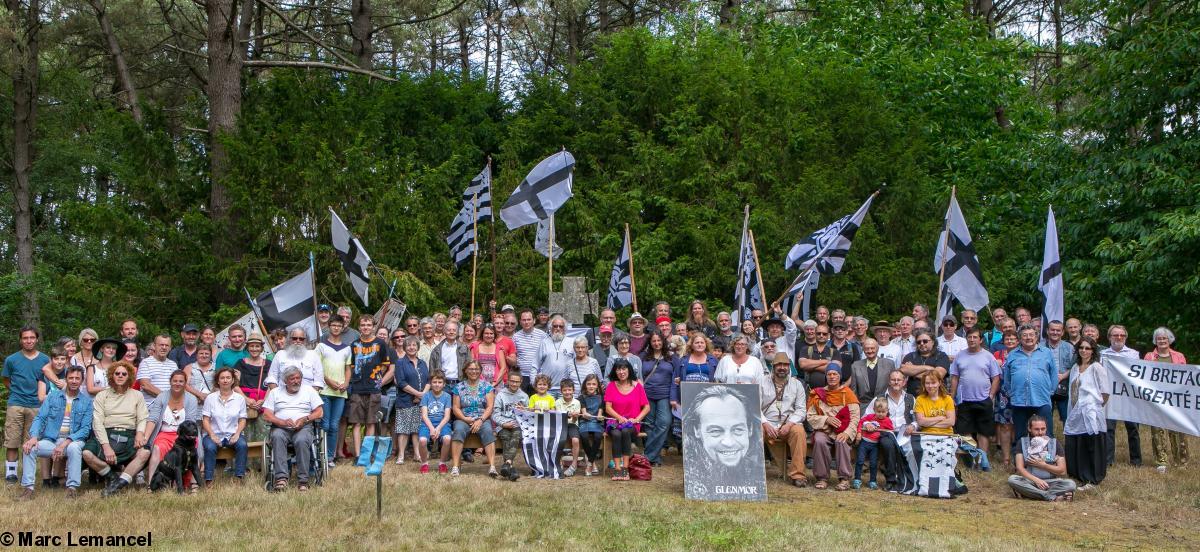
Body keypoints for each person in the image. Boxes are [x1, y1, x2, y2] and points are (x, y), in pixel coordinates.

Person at [19, 365, 91, 499]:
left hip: (73, 441)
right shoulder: (53, 397)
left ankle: (72, 488)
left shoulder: (86, 402)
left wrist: (65, 443)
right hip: (52, 439)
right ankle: (28, 488)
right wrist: (33, 437)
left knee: (74, 448)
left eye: (77, 378)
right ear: (66, 379)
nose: (74, 381)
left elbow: (85, 429)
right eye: (71, 378)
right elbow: (40, 418)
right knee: (29, 448)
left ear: (82, 381)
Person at [81, 361, 150, 496]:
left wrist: (140, 433)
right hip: (107, 433)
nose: (120, 376)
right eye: (117, 373)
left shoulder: (137, 395)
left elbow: (142, 418)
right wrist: (106, 446)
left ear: (129, 376)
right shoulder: (102, 395)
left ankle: (119, 484)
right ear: (111, 375)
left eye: (124, 374)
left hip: (129, 434)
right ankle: (112, 476)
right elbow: (97, 422)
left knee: (145, 453)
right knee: (86, 453)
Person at [262, 367, 324, 491]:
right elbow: (266, 415)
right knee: (277, 436)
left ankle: (303, 481)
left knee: (301, 440)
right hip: (281, 428)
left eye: (298, 378)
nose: (296, 381)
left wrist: (305, 419)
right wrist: (281, 422)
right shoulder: (275, 392)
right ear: (285, 381)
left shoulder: (309, 391)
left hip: (304, 427)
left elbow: (319, 412)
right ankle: (281, 479)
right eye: (292, 379)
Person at [140, 370, 203, 490]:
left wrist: (181, 438)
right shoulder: (162, 397)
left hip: (185, 436)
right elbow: (153, 419)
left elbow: (190, 422)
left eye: (181, 381)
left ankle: (194, 485)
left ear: (185, 383)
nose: (177, 383)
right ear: (170, 382)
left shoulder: (191, 399)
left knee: (195, 450)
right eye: (175, 381)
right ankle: (151, 484)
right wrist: (146, 437)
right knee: (157, 448)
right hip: (164, 433)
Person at [346, 317, 396, 463]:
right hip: (357, 388)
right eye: (363, 325)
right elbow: (351, 366)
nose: (366, 327)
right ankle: (357, 455)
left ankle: (366, 455)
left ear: (373, 327)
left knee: (371, 423)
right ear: (359, 327)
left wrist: (379, 380)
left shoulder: (380, 343)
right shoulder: (354, 344)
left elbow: (386, 364)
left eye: (368, 325)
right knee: (356, 423)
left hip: (373, 389)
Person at [948, 328, 1001, 465]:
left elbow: (996, 377)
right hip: (964, 399)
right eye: (969, 337)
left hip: (984, 399)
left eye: (975, 337)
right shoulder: (960, 356)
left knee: (983, 431)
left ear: (981, 340)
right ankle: (970, 459)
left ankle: (982, 459)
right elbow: (954, 377)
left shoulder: (988, 356)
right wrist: (952, 397)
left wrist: (991, 395)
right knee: (965, 431)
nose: (972, 340)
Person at [5, 326, 50, 482]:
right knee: (12, 440)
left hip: (36, 405)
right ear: (20, 340)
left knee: (30, 441)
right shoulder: (11, 360)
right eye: (25, 338)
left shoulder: (45, 360)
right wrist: (16, 391)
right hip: (16, 404)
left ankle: (27, 473)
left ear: (37, 339)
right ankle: (11, 473)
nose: (28, 341)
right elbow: (6, 380)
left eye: (32, 337)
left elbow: (49, 380)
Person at [1064, 337, 1108, 490]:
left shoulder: (1096, 367)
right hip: (1076, 411)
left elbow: (1105, 392)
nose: (1084, 350)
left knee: (1091, 445)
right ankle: (1079, 475)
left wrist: (1096, 409)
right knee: (1077, 443)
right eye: (1081, 347)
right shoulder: (1075, 367)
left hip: (1091, 412)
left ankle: (1092, 478)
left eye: (1087, 348)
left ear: (1093, 351)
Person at [807, 362, 859, 490]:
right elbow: (810, 416)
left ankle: (844, 479)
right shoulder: (818, 394)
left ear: (840, 376)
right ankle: (822, 478)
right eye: (829, 374)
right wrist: (826, 419)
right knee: (819, 439)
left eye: (835, 374)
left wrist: (847, 433)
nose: (832, 377)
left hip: (842, 430)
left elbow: (855, 418)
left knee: (841, 441)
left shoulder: (848, 394)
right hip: (824, 430)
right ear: (826, 376)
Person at [864, 370, 918, 492]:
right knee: (888, 445)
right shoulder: (879, 398)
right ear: (889, 381)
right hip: (886, 433)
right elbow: (866, 417)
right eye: (893, 379)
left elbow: (917, 420)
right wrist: (868, 424)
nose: (896, 382)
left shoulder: (911, 399)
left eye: (899, 380)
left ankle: (911, 478)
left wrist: (913, 425)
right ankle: (891, 480)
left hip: (905, 434)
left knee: (913, 447)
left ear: (904, 382)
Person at [1003, 325, 1057, 446]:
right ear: (1019, 338)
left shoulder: (1046, 353)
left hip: (1042, 399)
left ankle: (1048, 457)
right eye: (1025, 335)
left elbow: (1053, 374)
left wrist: (1051, 391)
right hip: (1019, 401)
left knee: (1046, 433)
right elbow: (1007, 377)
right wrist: (1010, 392)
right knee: (1021, 435)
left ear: (1036, 337)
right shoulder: (1012, 354)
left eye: (1031, 335)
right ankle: (1021, 457)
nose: (1028, 338)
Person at [1145, 327, 1189, 473]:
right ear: (1155, 341)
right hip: (1156, 398)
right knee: (1157, 430)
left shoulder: (1179, 356)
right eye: (1159, 339)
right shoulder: (1149, 356)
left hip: (1176, 399)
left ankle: (1181, 461)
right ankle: (1161, 461)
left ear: (1169, 340)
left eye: (1164, 338)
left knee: (1178, 429)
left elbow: (1186, 376)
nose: (1162, 341)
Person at [760, 353, 808, 487]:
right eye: (779, 365)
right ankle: (754, 472)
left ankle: (798, 475)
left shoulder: (797, 384)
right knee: (756, 430)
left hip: (788, 423)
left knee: (799, 432)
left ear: (789, 367)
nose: (782, 367)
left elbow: (801, 410)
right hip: (766, 422)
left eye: (785, 365)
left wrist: (789, 424)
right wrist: (765, 424)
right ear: (773, 366)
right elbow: (754, 406)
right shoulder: (762, 382)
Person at [1101, 324, 1142, 467]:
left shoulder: (1134, 354)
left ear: (1125, 337)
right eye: (1115, 335)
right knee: (1109, 428)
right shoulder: (1103, 354)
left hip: (1129, 396)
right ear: (1109, 337)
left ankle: (1136, 461)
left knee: (1133, 429)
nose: (1119, 337)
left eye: (1122, 335)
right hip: (1110, 396)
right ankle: (1108, 461)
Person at [1008, 416, 1075, 502]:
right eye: (1036, 429)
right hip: (1030, 481)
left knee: (1071, 484)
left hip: (1050, 482)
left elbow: (1062, 471)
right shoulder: (1022, 442)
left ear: (1046, 428)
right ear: (1029, 429)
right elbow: (1019, 468)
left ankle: (1029, 493)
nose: (1040, 432)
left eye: (1043, 429)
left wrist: (1043, 465)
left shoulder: (1054, 443)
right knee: (1012, 479)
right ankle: (1051, 497)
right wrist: (1037, 480)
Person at [449, 361, 498, 477]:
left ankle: (492, 467)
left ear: (480, 371)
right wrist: (465, 419)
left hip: (482, 418)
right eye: (471, 369)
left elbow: (490, 407)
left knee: (488, 430)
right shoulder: (458, 387)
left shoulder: (487, 386)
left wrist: (480, 420)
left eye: (476, 369)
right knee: (458, 430)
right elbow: (455, 407)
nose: (474, 371)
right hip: (463, 418)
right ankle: (455, 467)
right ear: (465, 371)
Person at [201, 367, 248, 484]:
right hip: (213, 433)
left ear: (233, 380)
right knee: (210, 447)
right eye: (222, 378)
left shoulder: (239, 399)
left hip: (233, 433)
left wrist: (237, 434)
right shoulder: (210, 398)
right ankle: (208, 480)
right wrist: (212, 435)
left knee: (242, 445)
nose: (225, 380)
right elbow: (205, 420)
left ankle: (239, 478)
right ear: (218, 381)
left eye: (228, 378)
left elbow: (242, 420)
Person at [605, 359, 649, 481]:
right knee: (616, 434)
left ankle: (625, 469)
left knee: (625, 432)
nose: (621, 372)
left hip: (631, 424)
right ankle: (617, 469)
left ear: (629, 370)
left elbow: (647, 407)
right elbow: (608, 408)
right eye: (618, 369)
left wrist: (637, 419)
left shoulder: (637, 386)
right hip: (614, 422)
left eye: (624, 369)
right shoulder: (611, 386)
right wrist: (619, 417)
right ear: (615, 372)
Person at [316, 317, 351, 465]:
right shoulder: (321, 346)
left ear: (343, 328)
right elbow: (316, 368)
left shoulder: (346, 348)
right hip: (324, 390)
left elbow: (348, 368)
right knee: (325, 425)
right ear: (329, 327)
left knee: (334, 425)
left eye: (339, 325)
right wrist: (328, 381)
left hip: (340, 393)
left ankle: (330, 457)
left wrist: (346, 383)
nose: (336, 328)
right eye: (333, 325)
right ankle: (320, 455)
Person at [640, 333, 677, 466]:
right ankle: (654, 458)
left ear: (663, 341)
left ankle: (648, 456)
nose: (656, 343)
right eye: (653, 341)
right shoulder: (643, 357)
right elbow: (638, 376)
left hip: (665, 395)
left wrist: (674, 397)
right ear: (650, 343)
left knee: (664, 423)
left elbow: (676, 378)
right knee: (649, 425)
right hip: (647, 395)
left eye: (659, 340)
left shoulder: (672, 357)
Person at [393, 336, 431, 465]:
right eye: (408, 345)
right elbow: (401, 382)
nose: (411, 347)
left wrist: (423, 395)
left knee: (416, 429)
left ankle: (417, 454)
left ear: (418, 347)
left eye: (414, 345)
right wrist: (417, 394)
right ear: (405, 347)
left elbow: (428, 380)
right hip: (405, 400)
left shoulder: (422, 363)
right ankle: (401, 456)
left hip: (420, 402)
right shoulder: (400, 363)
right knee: (403, 429)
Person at [670, 333, 718, 415]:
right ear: (692, 345)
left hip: (707, 399)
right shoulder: (683, 360)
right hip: (686, 398)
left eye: (702, 342)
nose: (699, 344)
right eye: (697, 343)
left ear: (706, 344)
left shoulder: (713, 360)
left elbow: (718, 380)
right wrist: (673, 398)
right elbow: (675, 380)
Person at [417, 370, 453, 475]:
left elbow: (447, 416)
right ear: (430, 383)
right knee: (422, 441)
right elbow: (424, 415)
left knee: (447, 439)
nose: (437, 384)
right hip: (427, 424)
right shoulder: (426, 396)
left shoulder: (447, 396)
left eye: (440, 382)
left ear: (444, 384)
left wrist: (438, 428)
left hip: (442, 424)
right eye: (434, 382)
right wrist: (432, 428)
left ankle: (442, 463)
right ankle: (424, 463)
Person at [493, 371, 528, 477]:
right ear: (507, 381)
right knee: (506, 437)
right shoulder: (501, 395)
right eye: (512, 381)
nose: (514, 384)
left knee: (516, 436)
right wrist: (504, 424)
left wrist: (524, 410)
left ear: (521, 382)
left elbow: (528, 415)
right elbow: (495, 414)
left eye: (517, 382)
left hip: (518, 425)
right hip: (503, 425)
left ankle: (507, 464)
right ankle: (511, 468)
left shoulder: (524, 396)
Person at [1044, 320, 1075, 437]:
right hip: (1045, 387)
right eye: (1052, 330)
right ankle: (1047, 442)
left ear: (1062, 332)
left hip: (1064, 386)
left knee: (1067, 417)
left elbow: (1074, 367)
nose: (1055, 332)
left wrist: (1063, 376)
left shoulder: (1069, 347)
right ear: (1047, 331)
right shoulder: (1040, 347)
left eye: (1058, 330)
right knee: (1045, 417)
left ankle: (1070, 443)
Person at [854, 399, 894, 490]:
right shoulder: (870, 417)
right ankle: (857, 479)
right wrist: (859, 432)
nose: (881, 414)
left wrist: (882, 433)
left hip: (875, 445)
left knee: (873, 463)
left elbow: (890, 432)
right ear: (874, 410)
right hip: (864, 443)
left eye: (883, 412)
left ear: (887, 411)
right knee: (860, 461)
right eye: (878, 411)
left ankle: (872, 481)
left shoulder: (888, 421)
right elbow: (860, 422)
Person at [899, 329, 951, 397]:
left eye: (925, 341)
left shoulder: (941, 356)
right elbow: (903, 369)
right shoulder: (910, 356)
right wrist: (928, 368)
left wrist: (913, 373)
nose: (922, 343)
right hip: (913, 398)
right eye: (918, 342)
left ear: (933, 342)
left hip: (936, 399)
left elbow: (938, 375)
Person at [537, 315, 576, 397]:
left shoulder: (572, 342)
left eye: (561, 326)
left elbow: (577, 364)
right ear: (551, 328)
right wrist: (534, 383)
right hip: (547, 388)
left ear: (564, 329)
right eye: (555, 326)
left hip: (565, 389)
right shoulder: (544, 342)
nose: (558, 328)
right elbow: (535, 364)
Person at [850, 338, 895, 407]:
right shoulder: (855, 366)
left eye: (872, 348)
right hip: (863, 406)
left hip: (884, 406)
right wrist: (856, 406)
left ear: (877, 349)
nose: (870, 351)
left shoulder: (889, 364)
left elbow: (893, 386)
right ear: (863, 350)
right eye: (867, 348)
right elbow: (854, 390)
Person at [512, 309, 548, 394]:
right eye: (524, 320)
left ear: (534, 320)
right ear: (520, 322)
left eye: (529, 319)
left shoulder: (542, 335)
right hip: (522, 376)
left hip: (538, 376)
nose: (526, 322)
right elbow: (514, 355)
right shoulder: (515, 337)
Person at [578, 374, 606, 476]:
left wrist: (599, 416)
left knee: (598, 437)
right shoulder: (581, 397)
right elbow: (584, 412)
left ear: (597, 386)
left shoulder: (602, 398)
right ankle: (592, 463)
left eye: (594, 384)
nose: (591, 386)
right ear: (585, 385)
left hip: (597, 422)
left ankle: (589, 463)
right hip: (585, 421)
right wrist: (585, 414)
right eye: (589, 384)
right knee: (584, 436)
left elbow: (600, 412)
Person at [138, 334, 178, 401]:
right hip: (151, 405)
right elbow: (145, 385)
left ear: (170, 348)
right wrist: (167, 398)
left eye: (167, 345)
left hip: (170, 405)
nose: (164, 347)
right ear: (154, 346)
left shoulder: (173, 365)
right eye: (161, 345)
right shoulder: (145, 363)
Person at [430, 320, 470, 387]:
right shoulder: (437, 350)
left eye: (454, 330)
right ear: (444, 332)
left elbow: (469, 366)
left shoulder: (464, 348)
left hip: (460, 384)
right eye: (449, 330)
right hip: (442, 385)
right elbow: (432, 370)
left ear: (457, 332)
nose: (451, 332)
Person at [558, 379, 583, 476]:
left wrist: (575, 416)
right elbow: (559, 417)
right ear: (561, 391)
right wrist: (567, 414)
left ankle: (574, 464)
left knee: (575, 440)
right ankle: (559, 462)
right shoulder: (558, 402)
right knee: (558, 439)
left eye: (569, 390)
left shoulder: (577, 402)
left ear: (573, 390)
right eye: (565, 390)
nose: (567, 392)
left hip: (572, 424)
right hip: (561, 424)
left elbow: (574, 420)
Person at [799, 324, 834, 389]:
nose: (821, 335)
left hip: (829, 390)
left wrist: (809, 367)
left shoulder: (834, 351)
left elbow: (833, 369)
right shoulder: (806, 349)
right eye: (818, 333)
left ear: (828, 335)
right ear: (815, 334)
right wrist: (825, 361)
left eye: (824, 334)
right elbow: (803, 365)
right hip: (809, 390)